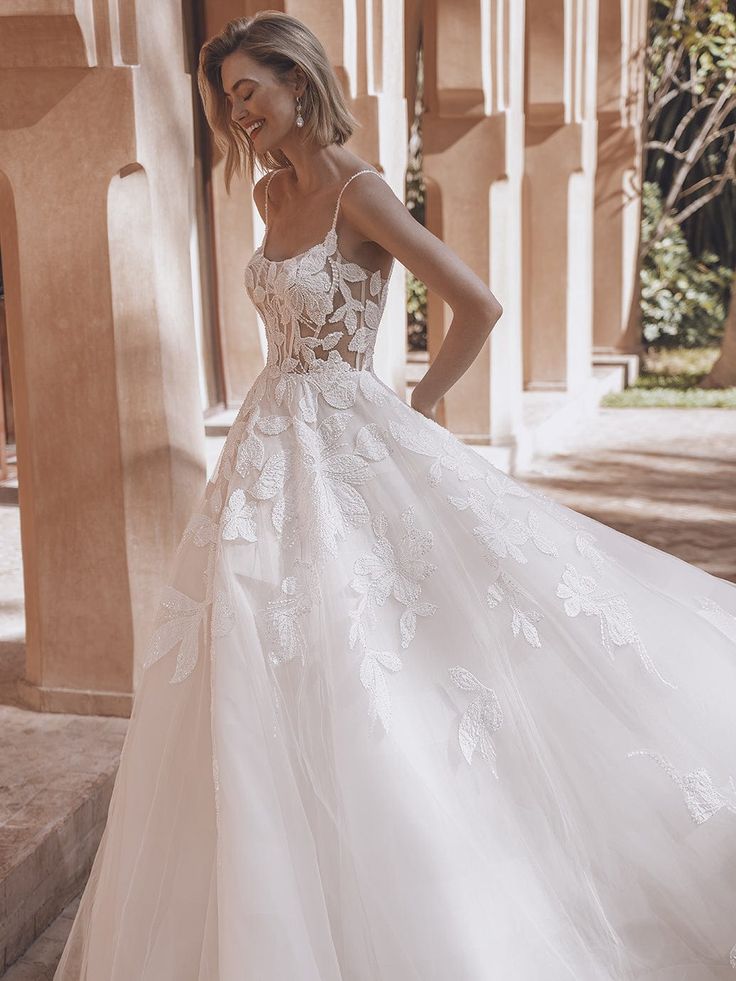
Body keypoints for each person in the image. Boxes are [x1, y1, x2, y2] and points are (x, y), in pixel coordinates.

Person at [54, 11, 736, 981]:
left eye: (251, 90)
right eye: (228, 97)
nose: (239, 112)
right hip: (266, 445)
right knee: (252, 641)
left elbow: (478, 303)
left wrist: (417, 402)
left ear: (300, 83)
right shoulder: (265, 192)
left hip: (346, 433)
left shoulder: (357, 191)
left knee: (372, 644)